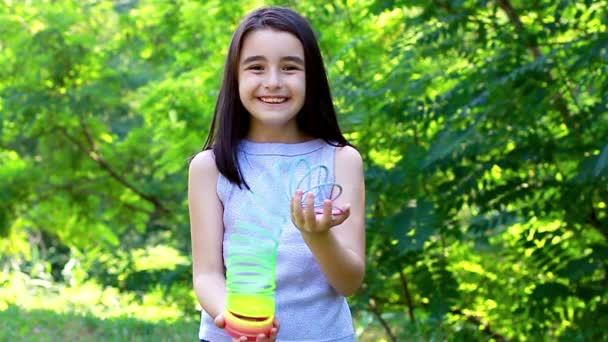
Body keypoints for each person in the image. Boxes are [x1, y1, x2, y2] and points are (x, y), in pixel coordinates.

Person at [188, 6, 365, 342]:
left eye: (289, 68)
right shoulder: (209, 167)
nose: (273, 82)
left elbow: (349, 282)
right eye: (256, 67)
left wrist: (317, 235)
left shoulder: (342, 160)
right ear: (235, 77)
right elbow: (207, 274)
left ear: (310, 77)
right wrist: (238, 320)